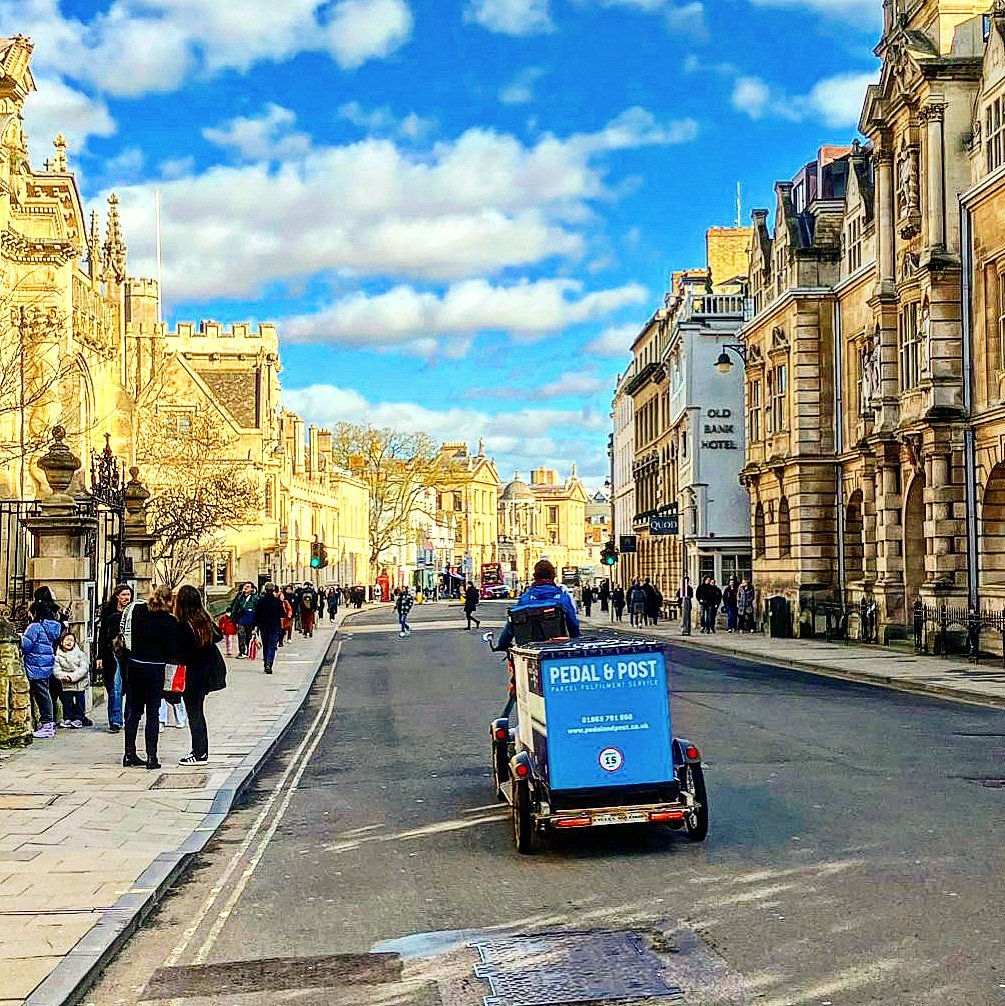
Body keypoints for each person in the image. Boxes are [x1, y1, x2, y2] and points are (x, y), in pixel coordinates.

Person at [123, 586, 180, 770]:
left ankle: (129, 753)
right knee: (152, 712)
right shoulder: (169, 621)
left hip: (134, 665)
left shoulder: (139, 611)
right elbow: (172, 651)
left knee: (134, 711)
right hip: (155, 668)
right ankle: (151, 756)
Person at [174, 585, 224, 764]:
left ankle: (199, 753)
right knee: (197, 712)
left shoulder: (182, 625)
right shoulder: (204, 620)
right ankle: (200, 750)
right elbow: (218, 635)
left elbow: (179, 651)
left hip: (190, 674)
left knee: (194, 713)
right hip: (204, 673)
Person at [492, 559, 581, 654]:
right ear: (553, 576)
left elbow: (512, 623)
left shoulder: (525, 599)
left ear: (535, 576)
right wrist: (576, 641)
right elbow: (573, 624)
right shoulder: (563, 598)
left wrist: (502, 643)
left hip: (530, 649)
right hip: (556, 648)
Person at [21, 604, 63, 739]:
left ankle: (47, 724)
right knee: (45, 693)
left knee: (42, 695)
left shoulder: (35, 627)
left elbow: (26, 645)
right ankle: (48, 722)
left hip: (36, 665)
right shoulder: (51, 627)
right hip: (45, 664)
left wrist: (20, 637)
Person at [96, 583, 133, 732]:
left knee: (130, 689)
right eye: (123, 595)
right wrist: (99, 656)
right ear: (117, 596)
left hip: (130, 654)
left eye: (128, 595)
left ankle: (129, 718)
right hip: (113, 654)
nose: (126, 598)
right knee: (115, 688)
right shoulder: (109, 612)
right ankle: (115, 721)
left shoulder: (134, 611)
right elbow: (102, 635)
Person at [55, 630, 92, 728]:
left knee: (80, 702)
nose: (69, 642)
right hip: (66, 683)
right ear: (61, 642)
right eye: (67, 640)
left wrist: (72, 677)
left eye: (71, 640)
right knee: (67, 702)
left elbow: (84, 668)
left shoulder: (80, 654)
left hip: (79, 682)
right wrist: (64, 676)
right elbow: (56, 670)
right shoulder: (58, 656)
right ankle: (68, 718)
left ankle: (79, 718)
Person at [254, 582, 285, 674]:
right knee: (272, 646)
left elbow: (257, 615)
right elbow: (282, 613)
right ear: (273, 590)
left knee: (266, 645)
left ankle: (265, 663)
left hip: (263, 626)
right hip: (275, 626)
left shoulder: (260, 601)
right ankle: (269, 664)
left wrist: (256, 626)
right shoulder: (277, 601)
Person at [229, 582, 258, 658]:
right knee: (241, 635)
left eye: (248, 587)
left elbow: (258, 609)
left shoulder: (255, 598)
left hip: (250, 620)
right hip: (241, 619)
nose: (245, 588)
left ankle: (249, 649)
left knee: (249, 636)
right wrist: (232, 617)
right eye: (245, 586)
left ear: (251, 589)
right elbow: (235, 607)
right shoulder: (240, 597)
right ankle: (241, 651)